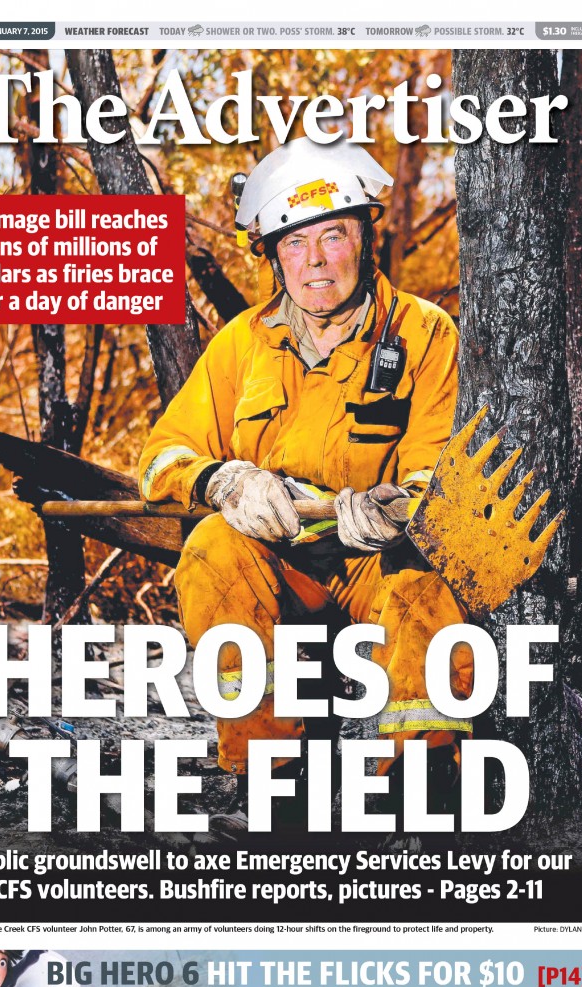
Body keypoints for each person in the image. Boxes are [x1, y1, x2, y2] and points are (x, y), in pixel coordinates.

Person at [139, 137, 473, 830]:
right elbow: (162, 456)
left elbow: (441, 466)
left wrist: (397, 506)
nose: (316, 261)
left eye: (334, 236)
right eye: (295, 244)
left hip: (377, 565)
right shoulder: (242, 344)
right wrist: (221, 480)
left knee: (423, 592)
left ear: (366, 238)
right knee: (210, 551)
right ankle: (271, 785)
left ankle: (423, 786)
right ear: (272, 256)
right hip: (281, 568)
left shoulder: (424, 333)